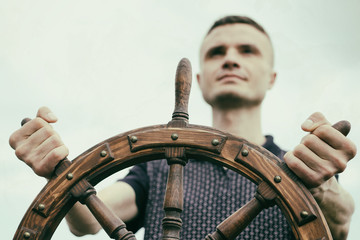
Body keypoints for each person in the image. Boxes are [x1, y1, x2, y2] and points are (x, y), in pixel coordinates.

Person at [9, 16, 356, 239]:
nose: (231, 58)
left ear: (271, 78)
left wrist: (323, 185)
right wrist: (60, 171)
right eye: (217, 51)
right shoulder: (157, 168)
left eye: (247, 51)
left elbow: (338, 226)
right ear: (201, 81)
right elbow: (85, 219)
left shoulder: (303, 169)